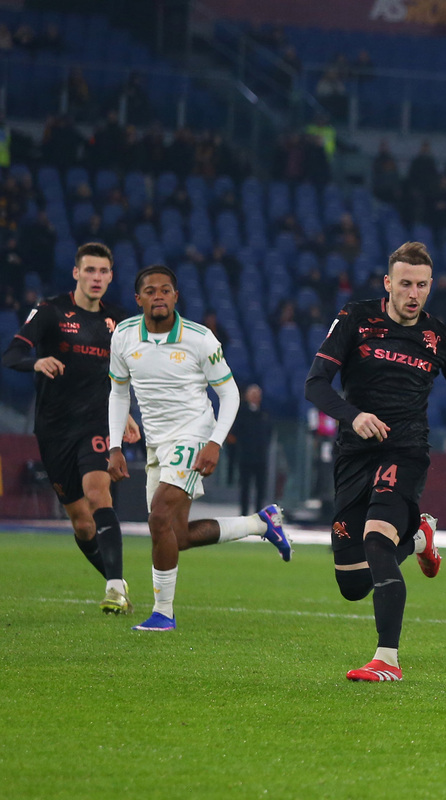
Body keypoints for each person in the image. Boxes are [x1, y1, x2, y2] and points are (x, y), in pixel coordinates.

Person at [305, 242, 446, 682]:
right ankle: (421, 538)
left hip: (404, 451)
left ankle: (387, 659)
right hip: (354, 453)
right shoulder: (355, 318)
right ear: (388, 283)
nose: (413, 293)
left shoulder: (440, 336)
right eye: (404, 284)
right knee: (352, 584)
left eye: (421, 285)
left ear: (430, 287)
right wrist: (354, 416)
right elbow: (315, 384)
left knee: (377, 541)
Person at [106, 265, 291, 632]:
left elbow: (230, 393)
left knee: (158, 517)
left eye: (165, 290)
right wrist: (114, 446)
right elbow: (118, 391)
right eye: (150, 290)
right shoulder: (124, 336)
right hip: (156, 442)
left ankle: (163, 613)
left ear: (176, 297)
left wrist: (214, 442)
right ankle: (261, 523)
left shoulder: (200, 338)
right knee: (177, 534)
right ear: (138, 298)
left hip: (193, 434)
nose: (158, 296)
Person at [2, 243, 139, 614]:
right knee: (81, 524)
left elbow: (123, 374)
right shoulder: (50, 311)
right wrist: (37, 361)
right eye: (90, 270)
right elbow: (10, 355)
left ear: (111, 276)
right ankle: (118, 582)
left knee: (98, 495)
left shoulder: (119, 320)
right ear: (76, 273)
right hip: (53, 428)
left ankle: (113, 588)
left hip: (96, 421)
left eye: (103, 272)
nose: (96, 278)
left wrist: (124, 412)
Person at [231, 384, 272, 515]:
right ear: (247, 396)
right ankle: (243, 514)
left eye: (257, 394)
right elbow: (235, 433)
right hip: (245, 456)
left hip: (261, 457)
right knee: (245, 487)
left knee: (261, 488)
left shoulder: (265, 412)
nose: (255, 397)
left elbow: (269, 432)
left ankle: (258, 514)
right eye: (253, 394)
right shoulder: (241, 413)